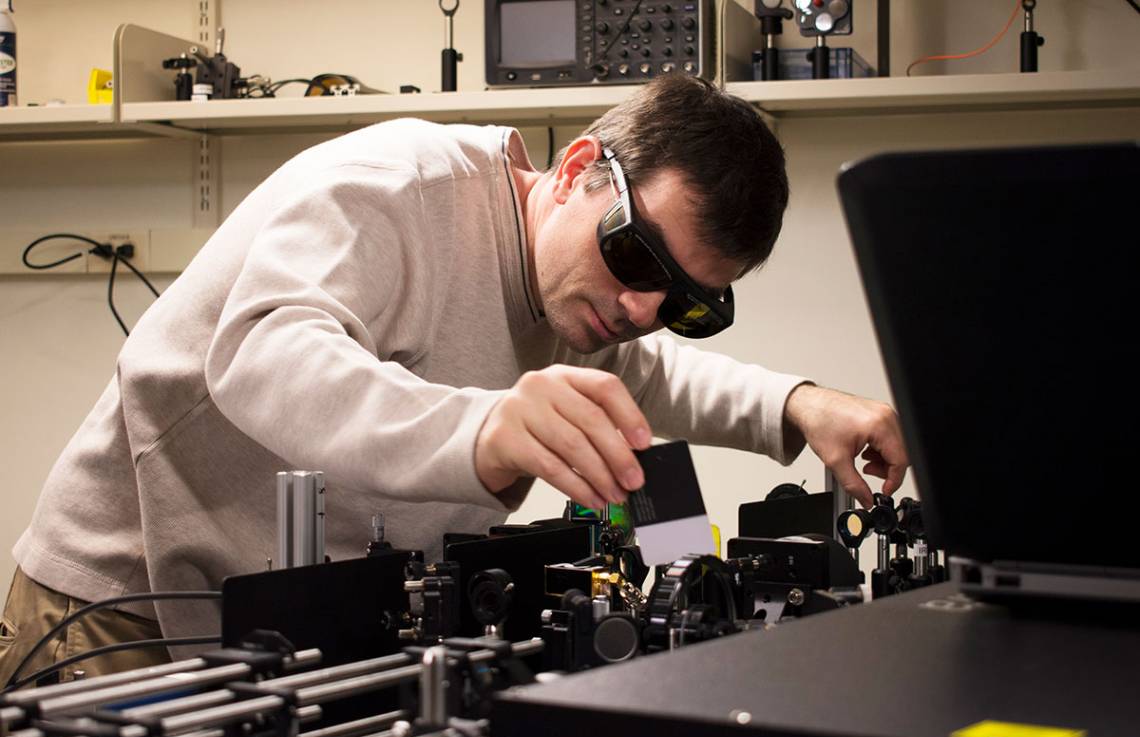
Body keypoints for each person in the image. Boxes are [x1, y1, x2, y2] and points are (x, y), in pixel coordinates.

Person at [0, 74, 907, 685]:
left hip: (290, 621)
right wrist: (482, 430)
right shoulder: (394, 190)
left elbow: (649, 372)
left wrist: (800, 405)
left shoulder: (579, 301)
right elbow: (263, 352)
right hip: (122, 604)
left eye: (686, 301)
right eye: (636, 258)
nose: (641, 308)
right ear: (580, 172)